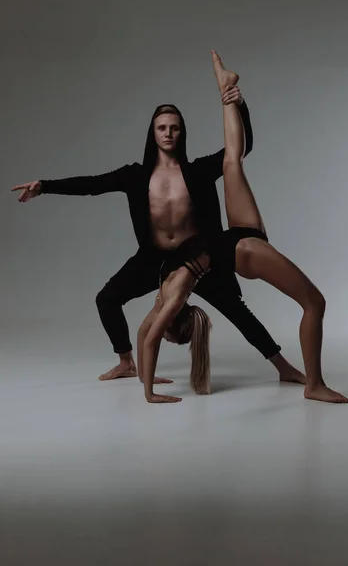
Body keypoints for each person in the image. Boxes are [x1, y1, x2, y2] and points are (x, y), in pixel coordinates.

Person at [11, 79, 306, 386]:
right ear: (153, 134)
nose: (168, 133)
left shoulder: (200, 170)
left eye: (174, 128)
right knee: (107, 299)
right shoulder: (134, 176)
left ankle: (283, 366)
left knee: (237, 311)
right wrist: (44, 186)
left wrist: (240, 106)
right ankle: (126, 362)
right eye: (162, 127)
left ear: (182, 133)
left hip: (198, 258)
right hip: (154, 258)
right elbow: (91, 185)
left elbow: (242, 148)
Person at [139, 51, 348, 405]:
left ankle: (315, 384)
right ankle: (226, 92)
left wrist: (149, 393)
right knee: (232, 159)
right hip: (236, 235)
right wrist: (145, 380)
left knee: (314, 303)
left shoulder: (172, 298)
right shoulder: (163, 290)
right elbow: (146, 334)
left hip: (243, 250)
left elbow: (150, 338)